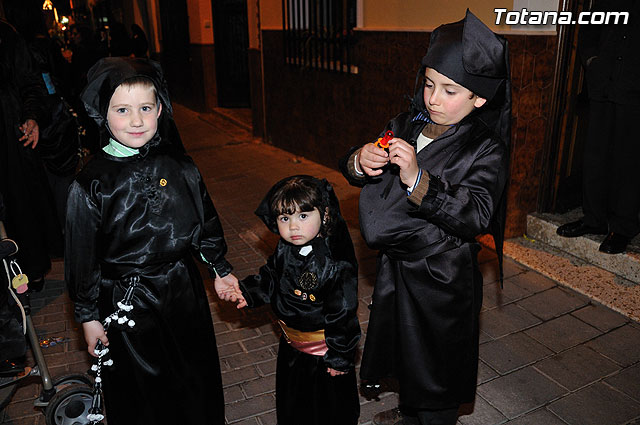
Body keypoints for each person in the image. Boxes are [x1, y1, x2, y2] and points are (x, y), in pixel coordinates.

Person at [339, 10, 511, 425]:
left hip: (440, 281)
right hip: (396, 272)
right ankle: (408, 413)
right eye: (430, 83)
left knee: (436, 367)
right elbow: (355, 170)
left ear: (479, 98)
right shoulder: (408, 121)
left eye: (450, 90)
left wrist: (419, 178)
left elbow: (477, 213)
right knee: (404, 355)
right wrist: (360, 162)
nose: (433, 98)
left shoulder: (484, 148)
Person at [65, 57, 238, 424]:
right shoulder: (91, 182)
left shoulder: (180, 166)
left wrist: (219, 270)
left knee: (193, 375)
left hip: (182, 291)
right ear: (102, 114)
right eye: (123, 110)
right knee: (141, 387)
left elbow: (204, 224)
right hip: (127, 300)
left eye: (146, 107)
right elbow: (82, 256)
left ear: (160, 108)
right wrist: (87, 316)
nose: (137, 120)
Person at [218, 175, 361, 425]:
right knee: (295, 405)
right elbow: (271, 276)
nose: (293, 227)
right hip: (291, 348)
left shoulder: (334, 264)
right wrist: (247, 291)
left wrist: (340, 357)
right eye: (285, 218)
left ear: (324, 215)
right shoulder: (285, 249)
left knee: (327, 410)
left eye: (303, 216)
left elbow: (343, 313)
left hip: (323, 354)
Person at [556, 0, 640, 254]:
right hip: (602, 84)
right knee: (595, 154)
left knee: (629, 160)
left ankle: (623, 227)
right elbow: (590, 27)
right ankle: (593, 219)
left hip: (634, 88)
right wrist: (592, 60)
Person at [0, 18, 59, 291]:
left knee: (20, 206)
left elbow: (30, 83)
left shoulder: (6, 35)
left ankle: (28, 271)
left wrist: (32, 116)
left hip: (9, 135)